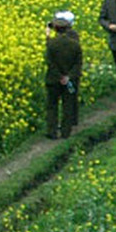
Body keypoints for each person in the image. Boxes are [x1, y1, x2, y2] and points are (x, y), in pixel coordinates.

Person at [44, 11, 82, 139]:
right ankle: (66, 132)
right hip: (69, 81)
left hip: (53, 80)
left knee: (52, 105)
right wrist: (68, 77)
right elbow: (78, 64)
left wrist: (59, 76)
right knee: (68, 104)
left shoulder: (51, 44)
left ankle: (52, 131)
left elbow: (50, 63)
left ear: (55, 28)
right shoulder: (75, 45)